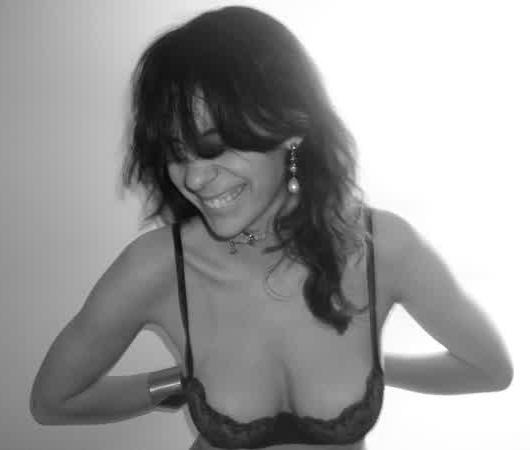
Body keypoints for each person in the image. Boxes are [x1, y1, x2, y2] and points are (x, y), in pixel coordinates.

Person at [30, 6, 513, 450]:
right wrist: (180, 382)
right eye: (176, 153)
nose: (194, 178)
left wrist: (379, 366)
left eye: (215, 146)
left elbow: (489, 369)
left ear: (291, 127)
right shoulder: (158, 266)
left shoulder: (382, 246)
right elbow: (54, 403)